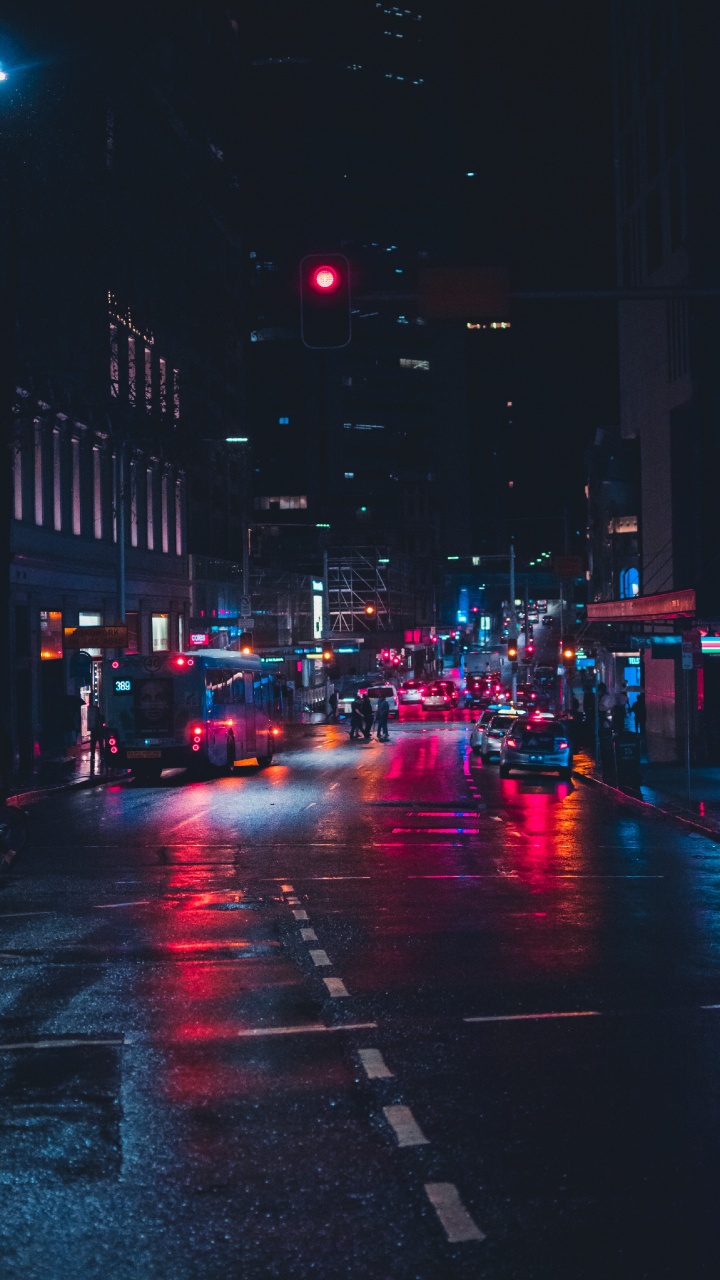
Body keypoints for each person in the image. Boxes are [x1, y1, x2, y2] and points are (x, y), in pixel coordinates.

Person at [86, 699, 104, 775]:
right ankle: (100, 755)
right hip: (98, 732)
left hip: (95, 732)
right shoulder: (100, 716)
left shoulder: (94, 717)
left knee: (94, 744)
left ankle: (94, 755)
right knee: (99, 745)